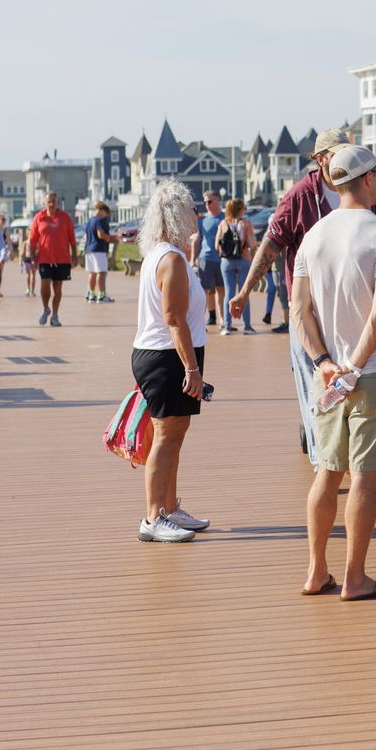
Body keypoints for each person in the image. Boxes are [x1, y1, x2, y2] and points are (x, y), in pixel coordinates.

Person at [291, 145, 376, 601]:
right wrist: (354, 368)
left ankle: (316, 570)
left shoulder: (314, 236)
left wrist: (324, 362)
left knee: (327, 471)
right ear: (367, 180)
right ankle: (355, 577)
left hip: (328, 373)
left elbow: (299, 310)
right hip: (372, 370)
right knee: (363, 477)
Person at [229, 130, 376, 331]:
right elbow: (271, 245)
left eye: (347, 151)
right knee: (314, 361)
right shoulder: (300, 196)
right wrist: (244, 292)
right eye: (336, 154)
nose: (343, 157)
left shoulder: (367, 189)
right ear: (320, 159)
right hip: (310, 310)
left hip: (356, 307)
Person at [130, 182, 210, 544]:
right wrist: (191, 368)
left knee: (175, 434)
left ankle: (169, 507)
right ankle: (152, 516)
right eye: (192, 209)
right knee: (165, 435)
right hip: (167, 357)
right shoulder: (172, 261)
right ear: (178, 215)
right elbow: (173, 317)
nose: (197, 214)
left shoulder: (163, 255)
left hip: (168, 354)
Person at [28, 192, 76, 328]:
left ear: (57, 202)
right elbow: (32, 239)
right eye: (49, 201)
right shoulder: (39, 217)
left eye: (54, 201)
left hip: (62, 258)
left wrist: (75, 255)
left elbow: (72, 237)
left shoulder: (65, 217)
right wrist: (32, 256)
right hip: (44, 258)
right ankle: (45, 308)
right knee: (45, 283)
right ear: (45, 202)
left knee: (58, 288)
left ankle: (55, 315)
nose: (51, 204)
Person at [216, 198, 257, 335]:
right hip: (244, 260)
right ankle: (247, 327)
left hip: (226, 262)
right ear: (240, 210)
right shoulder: (246, 224)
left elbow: (217, 245)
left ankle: (227, 326)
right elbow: (252, 244)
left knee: (229, 293)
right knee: (244, 293)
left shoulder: (223, 223)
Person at [192, 192, 226, 328]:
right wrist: (192, 259)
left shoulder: (225, 218)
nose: (207, 205)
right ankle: (202, 322)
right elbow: (196, 240)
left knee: (221, 290)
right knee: (204, 291)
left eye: (210, 202)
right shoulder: (202, 220)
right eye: (205, 202)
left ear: (217, 200)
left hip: (222, 259)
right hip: (205, 259)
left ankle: (222, 320)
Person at [81, 201, 115, 305]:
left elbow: (86, 237)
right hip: (99, 249)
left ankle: (91, 295)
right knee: (101, 272)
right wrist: (109, 238)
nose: (106, 215)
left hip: (89, 250)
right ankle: (101, 295)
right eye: (106, 213)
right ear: (101, 210)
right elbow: (100, 235)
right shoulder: (99, 220)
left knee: (92, 273)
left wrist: (84, 250)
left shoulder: (89, 221)